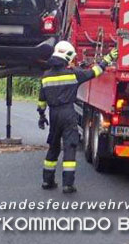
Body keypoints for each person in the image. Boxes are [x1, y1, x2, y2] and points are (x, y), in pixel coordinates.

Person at [37, 41, 118, 193]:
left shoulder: (45, 77)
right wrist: (108, 58)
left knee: (53, 147)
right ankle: (68, 184)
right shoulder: (73, 74)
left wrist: (41, 116)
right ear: (66, 57)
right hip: (68, 113)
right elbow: (95, 71)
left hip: (53, 114)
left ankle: (47, 181)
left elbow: (41, 101)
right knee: (70, 146)